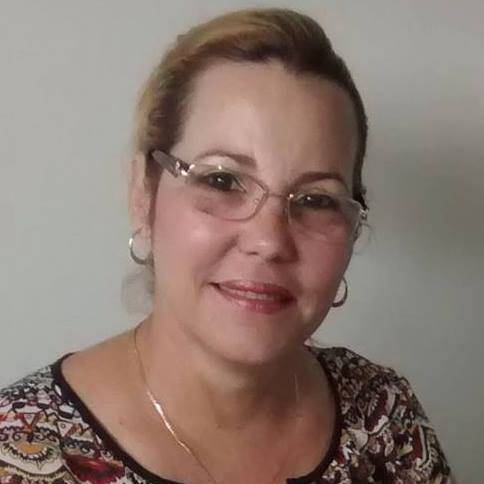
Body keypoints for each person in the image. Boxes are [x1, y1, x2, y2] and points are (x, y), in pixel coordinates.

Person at [0, 7, 453, 484]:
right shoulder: (19, 454)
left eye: (316, 200)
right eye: (222, 180)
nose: (269, 241)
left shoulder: (385, 419)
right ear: (143, 194)